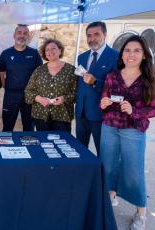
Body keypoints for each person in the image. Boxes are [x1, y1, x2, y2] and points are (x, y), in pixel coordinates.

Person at [100, 35, 155, 230]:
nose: (131, 54)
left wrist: (135, 111)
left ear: (144, 55)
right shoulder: (112, 76)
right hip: (109, 126)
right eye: (127, 50)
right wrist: (104, 104)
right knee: (107, 166)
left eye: (136, 50)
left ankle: (141, 214)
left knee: (133, 171)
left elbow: (153, 108)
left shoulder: (150, 78)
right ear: (122, 54)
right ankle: (110, 198)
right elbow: (105, 100)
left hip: (133, 129)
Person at [76, 21, 118, 155]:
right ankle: (83, 175)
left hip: (101, 114)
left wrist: (95, 82)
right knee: (80, 151)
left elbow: (117, 88)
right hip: (81, 113)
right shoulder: (81, 57)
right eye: (89, 35)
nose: (92, 38)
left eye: (96, 34)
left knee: (103, 153)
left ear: (105, 35)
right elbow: (80, 83)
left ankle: (102, 176)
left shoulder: (116, 57)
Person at [25, 39, 77, 132]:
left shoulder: (71, 70)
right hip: (41, 114)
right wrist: (39, 99)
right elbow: (28, 91)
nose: (50, 51)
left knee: (62, 143)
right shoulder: (39, 70)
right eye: (47, 50)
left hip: (62, 115)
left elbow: (77, 93)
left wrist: (64, 99)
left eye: (53, 48)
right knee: (43, 143)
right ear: (44, 53)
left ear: (60, 50)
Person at [0, 24, 43, 131]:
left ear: (28, 36)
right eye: (19, 33)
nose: (21, 36)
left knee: (29, 126)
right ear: (14, 35)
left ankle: (28, 145)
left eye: (25, 33)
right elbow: (1, 72)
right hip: (11, 95)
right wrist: (6, 87)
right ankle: (5, 146)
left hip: (29, 95)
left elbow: (40, 73)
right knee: (7, 125)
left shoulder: (34, 53)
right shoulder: (6, 53)